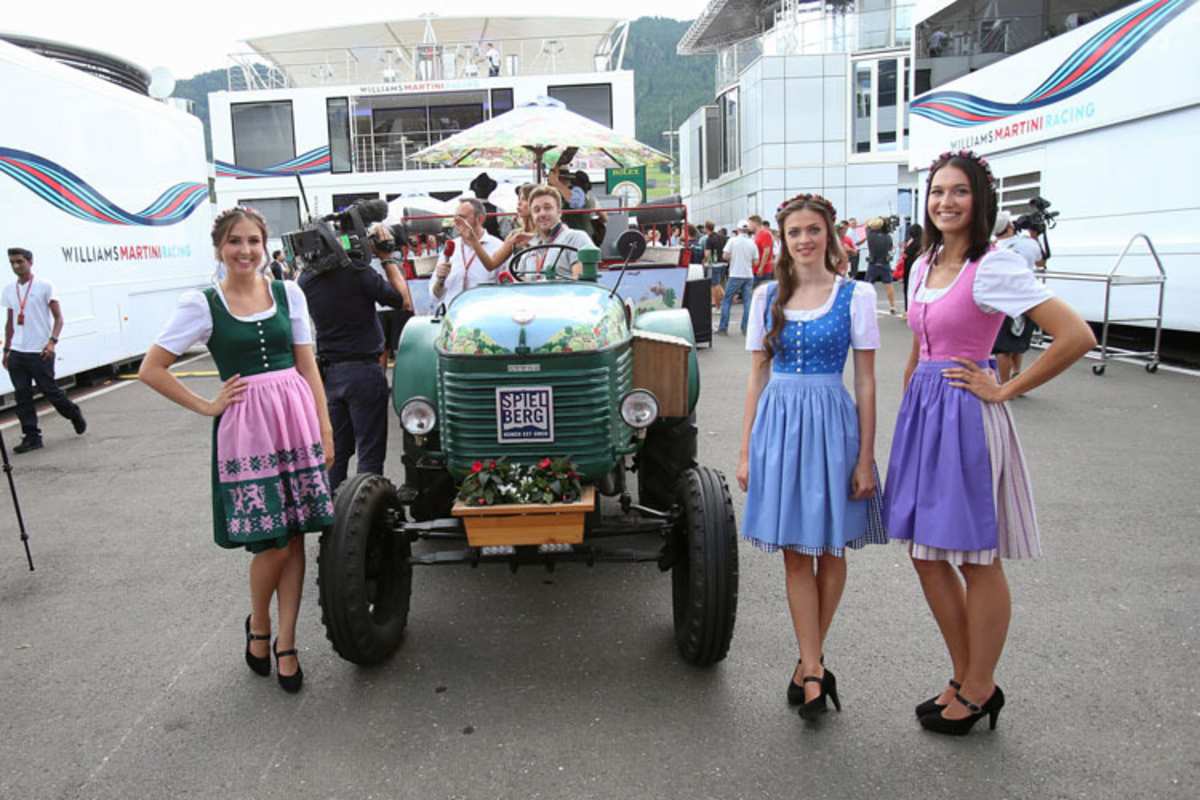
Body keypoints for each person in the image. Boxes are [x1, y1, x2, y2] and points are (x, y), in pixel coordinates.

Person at [884, 150, 1095, 735]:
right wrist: (906, 409)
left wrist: (1006, 388)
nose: (945, 202)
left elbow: (1075, 335)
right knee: (924, 555)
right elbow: (919, 345)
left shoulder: (994, 265)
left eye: (959, 192)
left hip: (968, 416)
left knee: (977, 558)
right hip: (924, 415)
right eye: (937, 191)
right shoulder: (923, 262)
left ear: (980, 201)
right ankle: (965, 674)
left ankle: (980, 687)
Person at [138, 207, 336, 694]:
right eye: (234, 242)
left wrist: (325, 430)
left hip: (295, 422)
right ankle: (259, 624)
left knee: (295, 537)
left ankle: (286, 642)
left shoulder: (289, 293)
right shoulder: (203, 303)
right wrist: (208, 405)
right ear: (219, 249)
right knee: (269, 539)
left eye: (252, 240)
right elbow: (152, 368)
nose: (245, 250)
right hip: (247, 430)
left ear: (264, 245)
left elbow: (308, 368)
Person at [737, 193, 886, 722]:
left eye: (813, 230)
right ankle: (814, 667)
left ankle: (809, 664)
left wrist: (866, 457)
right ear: (783, 239)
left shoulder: (856, 295)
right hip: (778, 426)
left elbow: (865, 381)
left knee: (831, 549)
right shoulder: (766, 298)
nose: (804, 240)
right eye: (794, 231)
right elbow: (756, 374)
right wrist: (747, 449)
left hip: (832, 425)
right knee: (796, 553)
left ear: (831, 235)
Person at [298, 220, 411, 492]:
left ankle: (331, 520)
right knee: (370, 454)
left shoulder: (305, 281)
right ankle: (367, 519)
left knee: (336, 452)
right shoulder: (358, 273)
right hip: (364, 371)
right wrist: (386, 258)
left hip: (330, 375)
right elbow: (402, 299)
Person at [3, 247, 87, 453]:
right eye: (12, 262)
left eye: (20, 261)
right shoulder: (8, 289)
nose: (16, 266)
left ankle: (73, 413)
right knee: (22, 397)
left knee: (50, 392)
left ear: (30, 262)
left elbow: (58, 318)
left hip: (40, 352)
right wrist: (6, 349)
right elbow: (10, 322)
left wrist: (52, 342)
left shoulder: (44, 286)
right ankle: (32, 437)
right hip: (17, 353)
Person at [990, 211, 1045, 383]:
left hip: (1002, 300)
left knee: (1002, 347)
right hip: (1027, 298)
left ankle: (1004, 385)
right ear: (1010, 226)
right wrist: (1036, 236)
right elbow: (1041, 262)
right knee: (1017, 340)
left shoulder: (994, 249)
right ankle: (1016, 372)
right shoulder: (1029, 243)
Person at [432, 198, 508, 304]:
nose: (456, 221)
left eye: (462, 217)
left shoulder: (498, 247)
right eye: (455, 217)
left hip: (484, 315)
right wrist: (440, 280)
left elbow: (507, 290)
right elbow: (435, 296)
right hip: (453, 314)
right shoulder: (450, 247)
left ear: (480, 219)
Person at [512, 185, 594, 279]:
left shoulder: (576, 238)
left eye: (547, 208)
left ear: (559, 211)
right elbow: (520, 283)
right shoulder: (530, 249)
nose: (542, 214)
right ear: (532, 215)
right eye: (536, 210)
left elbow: (582, 284)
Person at [717, 221, 758, 335]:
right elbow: (755, 262)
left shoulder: (732, 241)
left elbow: (725, 255)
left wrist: (733, 258)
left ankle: (723, 328)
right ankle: (745, 328)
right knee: (747, 302)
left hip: (735, 274)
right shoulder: (752, 243)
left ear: (738, 229)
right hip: (748, 275)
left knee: (727, 300)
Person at [865, 217, 898, 314]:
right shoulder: (888, 237)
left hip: (873, 263)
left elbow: (866, 225)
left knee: (867, 286)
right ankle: (892, 306)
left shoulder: (870, 235)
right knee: (888, 285)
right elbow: (891, 248)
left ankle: (866, 305)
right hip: (884, 262)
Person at [469, 172, 503, 240]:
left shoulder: (465, 210)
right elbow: (505, 233)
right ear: (490, 191)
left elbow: (456, 233)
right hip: (494, 248)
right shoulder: (498, 211)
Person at [899, 223, 923, 313]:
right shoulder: (924, 241)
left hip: (910, 266)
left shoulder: (913, 242)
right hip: (921, 267)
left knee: (908, 288)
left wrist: (903, 249)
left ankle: (908, 308)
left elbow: (905, 254)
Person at [749, 215, 774, 287]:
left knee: (761, 294)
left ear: (755, 223)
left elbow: (766, 252)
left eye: (750, 224)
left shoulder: (765, 234)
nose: (749, 226)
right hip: (756, 269)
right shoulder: (757, 235)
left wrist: (761, 268)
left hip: (763, 270)